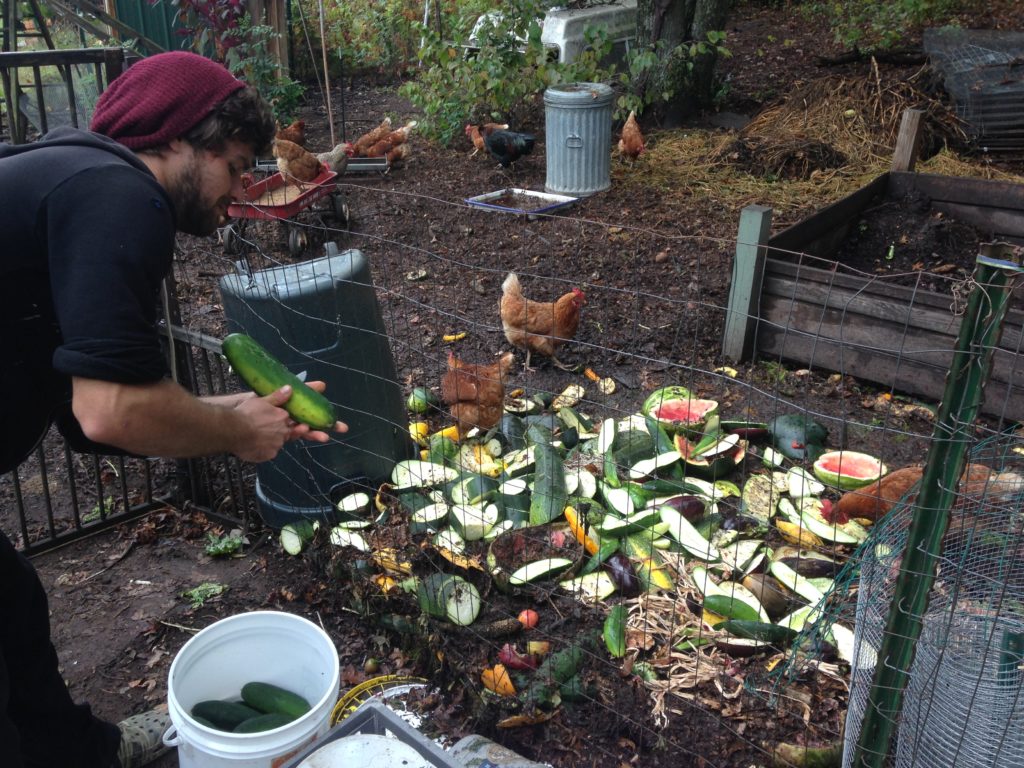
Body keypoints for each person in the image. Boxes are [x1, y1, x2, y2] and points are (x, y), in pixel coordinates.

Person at [0, 51, 348, 768]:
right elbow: (110, 411)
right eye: (238, 164)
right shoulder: (121, 199)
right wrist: (232, 431)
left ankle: (80, 753)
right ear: (178, 140)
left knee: (11, 606)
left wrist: (239, 413)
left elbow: (88, 408)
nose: (243, 189)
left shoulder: (75, 180)